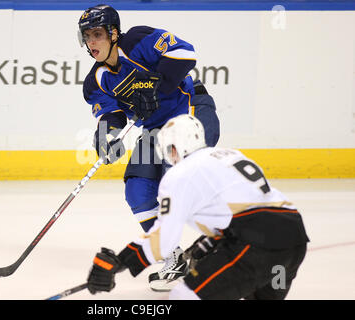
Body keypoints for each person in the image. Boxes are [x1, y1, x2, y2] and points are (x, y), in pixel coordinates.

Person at [85, 114, 310, 300]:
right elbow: (244, 210)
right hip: (294, 241)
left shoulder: (180, 174)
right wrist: (211, 240)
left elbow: (164, 241)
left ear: (172, 148)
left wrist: (120, 262)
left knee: (185, 296)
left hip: (256, 245)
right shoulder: (229, 155)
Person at [78, 4, 220, 291]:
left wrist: (155, 88)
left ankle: (224, 244)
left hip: (190, 112)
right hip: (155, 129)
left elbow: (184, 53)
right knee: (137, 190)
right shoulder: (95, 82)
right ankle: (175, 257)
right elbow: (111, 114)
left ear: (114, 33)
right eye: (87, 36)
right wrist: (107, 136)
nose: (92, 42)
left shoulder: (138, 40)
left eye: (97, 34)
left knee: (176, 183)